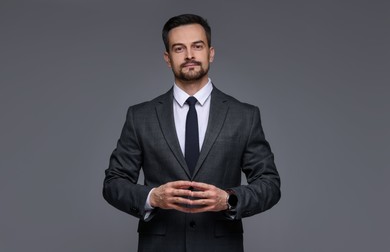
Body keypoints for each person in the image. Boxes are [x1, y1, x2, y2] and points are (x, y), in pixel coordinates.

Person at [103, 13, 281, 252]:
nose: (189, 55)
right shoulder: (140, 116)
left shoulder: (244, 116)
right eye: (179, 48)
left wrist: (228, 200)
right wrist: (153, 197)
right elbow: (113, 183)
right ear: (168, 58)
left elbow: (269, 184)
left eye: (197, 46)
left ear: (211, 52)